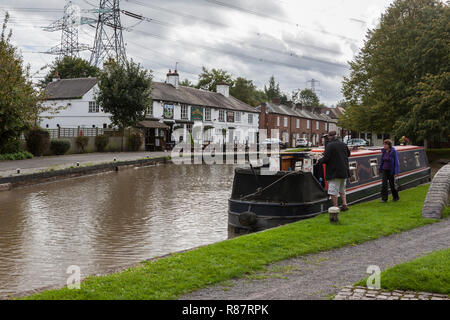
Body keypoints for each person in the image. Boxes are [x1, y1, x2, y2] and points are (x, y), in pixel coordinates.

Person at [317, 131, 351, 213]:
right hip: (344, 171)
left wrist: (319, 160)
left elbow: (326, 159)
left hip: (334, 172)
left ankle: (335, 208)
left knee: (332, 191)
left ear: (329, 136)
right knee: (342, 189)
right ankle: (344, 205)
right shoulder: (343, 144)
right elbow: (348, 154)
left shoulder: (330, 145)